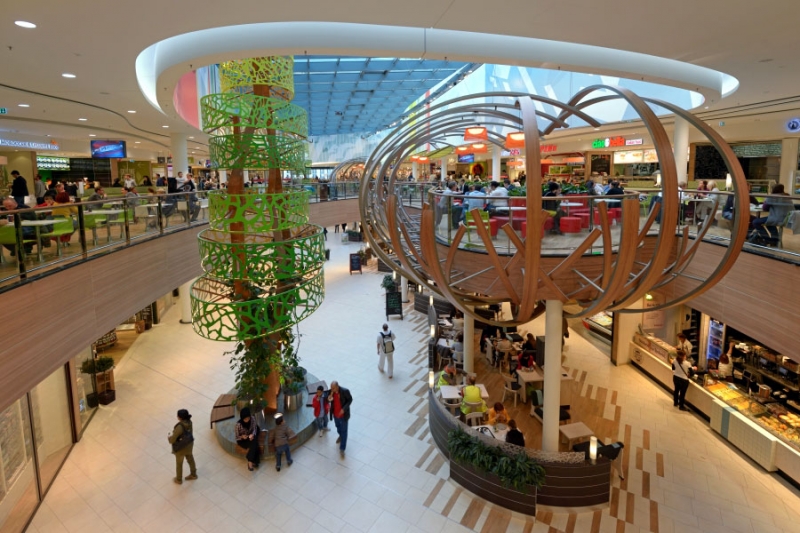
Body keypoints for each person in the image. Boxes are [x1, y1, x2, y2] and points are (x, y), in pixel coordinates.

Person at [168, 409, 197, 484]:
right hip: (189, 444)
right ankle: (193, 474)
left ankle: (179, 479)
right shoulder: (190, 422)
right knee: (190, 459)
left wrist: (169, 438)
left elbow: (172, 440)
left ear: (180, 417)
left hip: (181, 448)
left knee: (179, 463)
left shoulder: (180, 427)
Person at [328, 381, 353, 457]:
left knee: (344, 431)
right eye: (331, 388)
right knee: (338, 427)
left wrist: (343, 409)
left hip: (343, 416)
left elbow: (350, 400)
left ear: (337, 386)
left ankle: (342, 449)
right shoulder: (331, 392)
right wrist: (328, 399)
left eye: (333, 388)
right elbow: (326, 398)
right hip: (335, 415)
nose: (332, 389)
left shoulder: (345, 391)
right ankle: (340, 435)